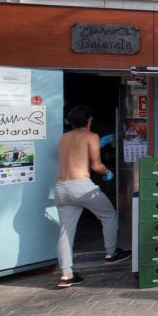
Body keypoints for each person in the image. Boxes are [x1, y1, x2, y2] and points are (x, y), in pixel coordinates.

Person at [54, 105, 130, 288]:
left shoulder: (63, 138)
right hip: (81, 186)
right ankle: (111, 253)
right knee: (108, 215)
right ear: (89, 120)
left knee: (65, 231)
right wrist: (107, 173)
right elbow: (96, 166)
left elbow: (74, 155)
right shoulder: (92, 136)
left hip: (61, 187)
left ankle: (66, 275)